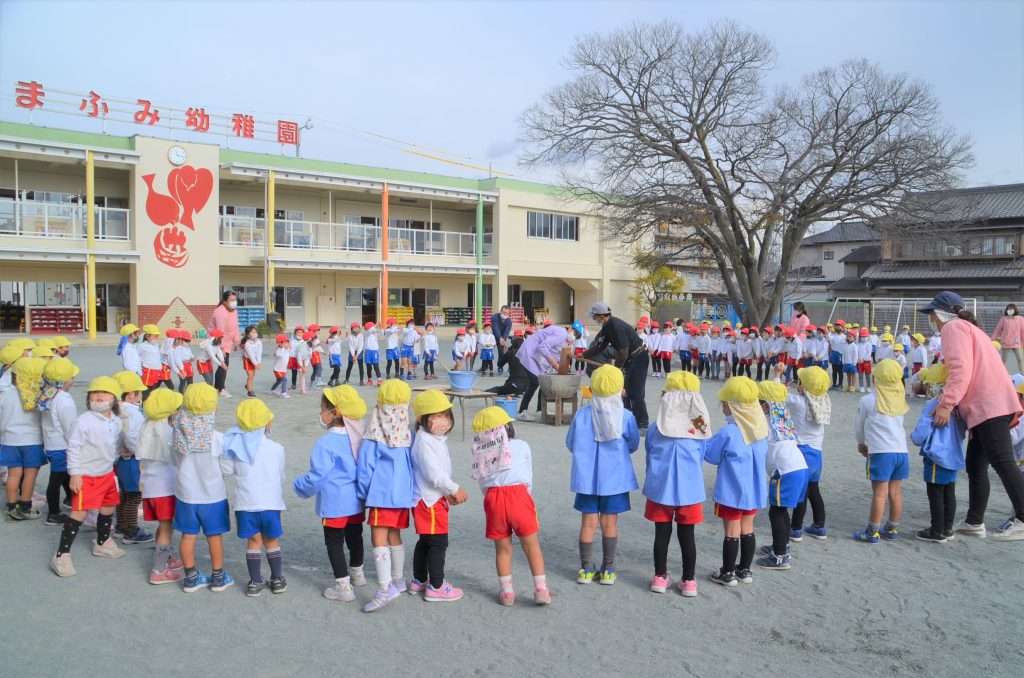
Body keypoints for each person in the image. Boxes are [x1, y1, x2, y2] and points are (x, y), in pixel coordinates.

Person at [921, 291, 1024, 541]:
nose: (931, 319)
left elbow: (961, 368)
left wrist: (946, 403)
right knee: (976, 465)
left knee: (1002, 461)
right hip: (992, 401)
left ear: (940, 313)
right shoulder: (969, 327)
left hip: (988, 403)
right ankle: (974, 521)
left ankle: (1022, 516)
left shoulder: (953, 328)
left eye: (932, 314)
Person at [293, 385, 369, 602]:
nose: (320, 414)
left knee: (334, 542)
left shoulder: (325, 443)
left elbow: (318, 476)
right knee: (355, 537)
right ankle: (358, 572)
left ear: (334, 413)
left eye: (322, 409)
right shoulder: (360, 435)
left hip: (334, 502)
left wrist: (300, 486)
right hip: (356, 500)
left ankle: (343, 586)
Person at [566, 365, 640, 586]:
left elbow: (570, 443)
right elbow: (633, 444)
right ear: (620, 388)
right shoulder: (626, 416)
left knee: (588, 523)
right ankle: (608, 569)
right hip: (615, 479)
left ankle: (586, 569)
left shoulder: (582, 414)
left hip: (587, 479)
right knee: (610, 523)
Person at [472, 406, 550, 606]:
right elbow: (528, 473)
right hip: (519, 495)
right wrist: (527, 492)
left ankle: (507, 593)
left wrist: (491, 495)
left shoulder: (481, 452)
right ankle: (541, 589)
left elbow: (482, 482)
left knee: (503, 550)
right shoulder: (522, 445)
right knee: (531, 546)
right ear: (508, 427)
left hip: (493, 498)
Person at [49, 376, 126, 577]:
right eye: (94, 392)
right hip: (87, 476)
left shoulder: (116, 421)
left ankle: (102, 542)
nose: (99, 396)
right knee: (79, 513)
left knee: (108, 507)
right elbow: (73, 448)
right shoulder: (83, 421)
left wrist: (121, 453)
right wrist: (74, 474)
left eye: (105, 393)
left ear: (115, 398)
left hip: (107, 473)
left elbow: (113, 444)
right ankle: (61, 555)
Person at [642, 370, 709, 597]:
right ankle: (689, 580)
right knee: (687, 535)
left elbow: (649, 453)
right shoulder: (699, 430)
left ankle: (660, 577)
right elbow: (701, 457)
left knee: (661, 533)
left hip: (661, 488)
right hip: (689, 490)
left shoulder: (655, 428)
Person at [356, 379, 415, 612]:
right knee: (394, 536)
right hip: (402, 494)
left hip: (381, 495)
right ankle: (398, 579)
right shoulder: (408, 433)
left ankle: (383, 588)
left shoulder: (374, 434)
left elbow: (365, 466)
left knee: (378, 538)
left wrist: (362, 493)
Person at [704, 376, 768, 587]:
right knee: (747, 528)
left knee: (731, 531)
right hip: (753, 490)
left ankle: (728, 572)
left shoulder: (730, 432)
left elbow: (711, 455)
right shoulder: (761, 429)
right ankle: (745, 570)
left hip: (732, 490)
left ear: (730, 405)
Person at [172, 383, 235, 592]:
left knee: (187, 535)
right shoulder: (218, 438)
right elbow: (226, 469)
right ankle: (218, 576)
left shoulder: (176, 435)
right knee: (213, 535)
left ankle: (191, 577)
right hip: (212, 496)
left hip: (186, 495)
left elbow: (174, 461)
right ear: (214, 408)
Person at [224, 398, 287, 597]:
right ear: (267, 424)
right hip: (270, 502)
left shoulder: (234, 448)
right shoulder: (277, 448)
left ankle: (255, 581)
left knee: (253, 542)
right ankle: (277, 579)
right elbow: (281, 476)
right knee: (272, 541)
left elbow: (226, 470)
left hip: (245, 504)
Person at [408, 391, 468, 601]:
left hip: (432, 498)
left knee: (426, 541)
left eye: (446, 415)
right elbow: (434, 474)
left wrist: (446, 492)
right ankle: (436, 585)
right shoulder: (425, 441)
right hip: (429, 501)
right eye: (435, 415)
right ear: (421, 419)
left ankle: (419, 580)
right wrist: (453, 488)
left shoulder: (434, 439)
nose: (442, 420)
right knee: (437, 543)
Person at [852, 359, 910, 543]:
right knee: (895, 493)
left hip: (881, 452)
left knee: (879, 493)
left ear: (875, 379)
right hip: (901, 452)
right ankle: (892, 528)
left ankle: (872, 531)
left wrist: (861, 443)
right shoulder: (900, 398)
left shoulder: (868, 399)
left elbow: (858, 425)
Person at [754, 380, 808, 571]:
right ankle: (782, 546)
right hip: (798, 466)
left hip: (785, 471)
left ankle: (779, 556)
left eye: (756, 401)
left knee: (776, 511)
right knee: (781, 510)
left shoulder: (765, 421)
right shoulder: (782, 417)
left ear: (766, 405)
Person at [910, 365, 967, 543]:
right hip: (953, 454)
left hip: (937, 454)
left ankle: (936, 530)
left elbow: (922, 431)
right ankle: (947, 528)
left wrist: (915, 438)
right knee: (949, 492)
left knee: (935, 493)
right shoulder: (956, 406)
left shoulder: (934, 404)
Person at [137, 388, 185, 585]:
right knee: (167, 528)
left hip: (150, 487)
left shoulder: (147, 427)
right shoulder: (170, 431)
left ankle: (164, 557)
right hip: (165, 489)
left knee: (162, 526)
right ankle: (159, 570)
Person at [582, 302, 650, 432]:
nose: (594, 319)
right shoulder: (607, 326)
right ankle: (628, 420)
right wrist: (583, 355)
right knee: (623, 391)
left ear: (602, 316)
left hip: (639, 357)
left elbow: (623, 351)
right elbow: (600, 346)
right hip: (630, 359)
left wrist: (615, 369)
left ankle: (643, 424)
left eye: (595, 316)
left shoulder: (615, 325)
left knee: (636, 393)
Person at [783, 365, 832, 541]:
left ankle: (796, 528)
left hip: (801, 452)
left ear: (803, 386)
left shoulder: (799, 403)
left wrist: (777, 376)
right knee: (813, 490)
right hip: (817, 453)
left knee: (801, 492)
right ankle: (819, 526)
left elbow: (777, 395)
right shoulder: (824, 400)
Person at [1, 357, 45, 521]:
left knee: (13, 474)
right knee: (30, 474)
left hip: (10, 439)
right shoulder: (37, 395)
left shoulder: (4, 393)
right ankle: (25, 505)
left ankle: (11, 506)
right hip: (32, 439)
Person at [38, 357, 79, 525]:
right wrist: (76, 445)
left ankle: (69, 499)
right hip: (62, 445)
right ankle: (53, 513)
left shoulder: (48, 393)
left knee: (63, 475)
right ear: (67, 380)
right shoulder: (64, 400)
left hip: (51, 442)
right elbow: (70, 427)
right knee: (56, 479)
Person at [113, 370, 153, 544]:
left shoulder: (116, 409)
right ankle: (132, 529)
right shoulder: (132, 412)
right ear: (131, 394)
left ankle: (121, 525)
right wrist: (136, 449)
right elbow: (131, 436)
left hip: (121, 460)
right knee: (134, 496)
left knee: (124, 495)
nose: (141, 395)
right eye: (139, 392)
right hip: (132, 460)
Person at [207, 290, 240, 397]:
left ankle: (218, 387)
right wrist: (222, 348)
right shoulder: (220, 312)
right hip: (217, 341)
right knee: (223, 364)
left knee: (224, 364)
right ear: (225, 301)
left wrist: (236, 341)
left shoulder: (233, 310)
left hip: (227, 340)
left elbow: (235, 326)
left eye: (235, 300)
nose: (234, 302)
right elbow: (220, 332)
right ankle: (220, 388)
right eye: (232, 300)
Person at [993, 303, 1024, 373]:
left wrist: (1023, 341)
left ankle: (1022, 373)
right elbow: (998, 329)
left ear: (1015, 310)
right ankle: (1001, 373)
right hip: (1005, 342)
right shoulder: (1004, 319)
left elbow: (1022, 331)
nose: (1010, 310)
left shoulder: (1020, 319)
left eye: (1011, 309)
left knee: (1020, 359)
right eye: (1008, 309)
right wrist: (993, 338)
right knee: (1003, 360)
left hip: (1017, 343)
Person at [491, 305, 513, 375]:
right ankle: (484, 367)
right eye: (504, 312)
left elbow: (507, 331)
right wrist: (499, 338)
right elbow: (495, 328)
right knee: (487, 351)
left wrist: (503, 340)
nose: (505, 314)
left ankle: (500, 367)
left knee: (501, 352)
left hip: (502, 337)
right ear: (500, 311)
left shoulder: (509, 321)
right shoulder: (494, 317)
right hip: (492, 336)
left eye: (507, 313)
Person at [241, 325, 262, 398]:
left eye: (255, 331)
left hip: (255, 360)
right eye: (252, 332)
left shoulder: (259, 342)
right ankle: (250, 392)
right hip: (248, 360)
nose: (255, 333)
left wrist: (258, 362)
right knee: (250, 376)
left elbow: (259, 353)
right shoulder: (247, 344)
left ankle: (248, 385)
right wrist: (256, 364)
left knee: (252, 376)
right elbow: (251, 355)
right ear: (248, 335)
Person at [364, 322, 383, 386]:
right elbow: (370, 331)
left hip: (374, 351)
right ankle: (370, 380)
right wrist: (375, 325)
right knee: (368, 366)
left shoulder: (375, 334)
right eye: (373, 327)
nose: (374, 329)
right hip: (368, 351)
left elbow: (381, 334)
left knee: (376, 365)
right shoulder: (366, 333)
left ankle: (379, 379)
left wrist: (380, 327)